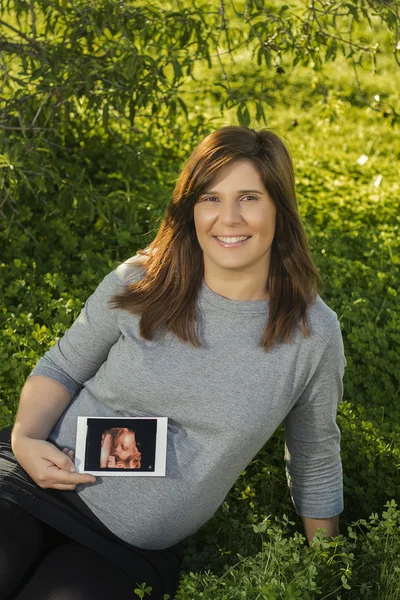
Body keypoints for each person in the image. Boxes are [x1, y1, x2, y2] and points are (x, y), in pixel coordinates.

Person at [0, 125, 346, 599]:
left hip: (128, 547)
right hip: (31, 484)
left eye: (249, 198)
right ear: (190, 209)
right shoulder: (140, 282)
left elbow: (315, 455)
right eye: (210, 198)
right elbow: (61, 367)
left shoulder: (311, 333)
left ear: (279, 210)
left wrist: (330, 574)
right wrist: (24, 438)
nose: (228, 218)